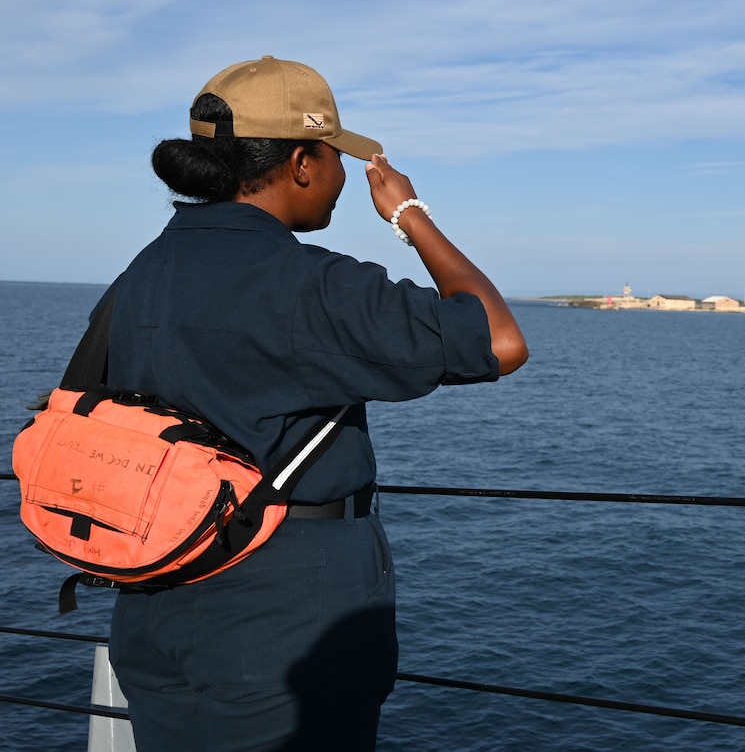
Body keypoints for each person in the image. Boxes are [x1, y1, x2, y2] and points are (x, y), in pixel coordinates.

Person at [100, 55, 528, 751]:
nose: (339, 177)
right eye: (334, 157)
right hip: (282, 630)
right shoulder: (313, 286)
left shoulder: (142, 273)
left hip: (155, 605)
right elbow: (500, 339)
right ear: (302, 162)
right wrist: (409, 214)